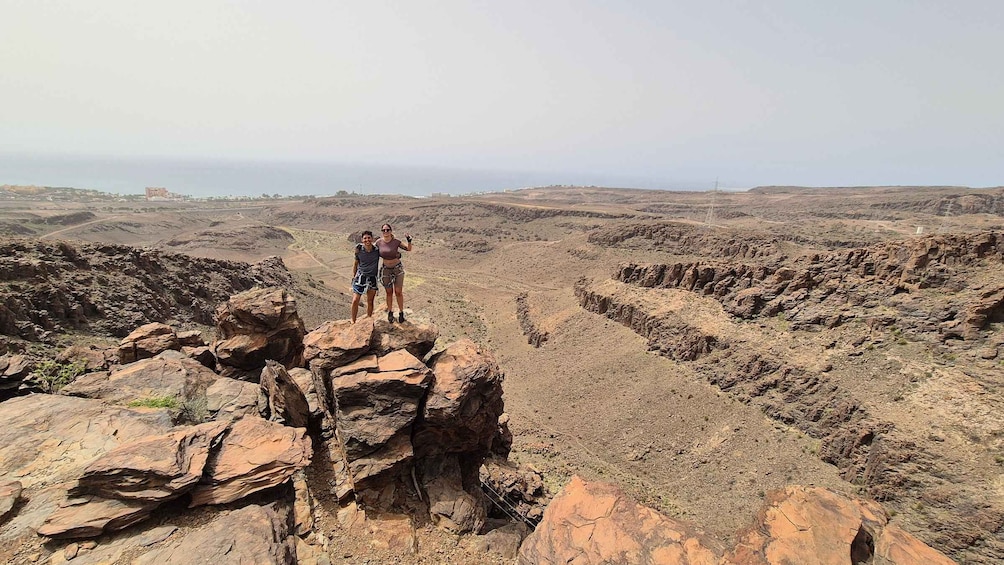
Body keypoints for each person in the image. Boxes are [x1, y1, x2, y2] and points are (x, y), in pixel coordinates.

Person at [376, 223, 413, 323]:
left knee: (398, 292)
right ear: (382, 232)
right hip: (386, 269)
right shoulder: (379, 242)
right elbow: (372, 251)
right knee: (389, 292)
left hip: (397, 269)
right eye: (384, 230)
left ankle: (401, 312)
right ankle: (390, 312)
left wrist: (409, 241)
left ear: (391, 231)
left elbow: (408, 249)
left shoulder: (396, 242)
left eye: (387, 230)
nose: (386, 232)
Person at [350, 230, 380, 323]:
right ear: (362, 240)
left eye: (369, 238)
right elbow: (355, 264)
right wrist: (354, 276)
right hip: (360, 277)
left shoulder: (377, 250)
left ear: (372, 239)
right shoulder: (359, 249)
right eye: (365, 238)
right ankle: (353, 321)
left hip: (372, 278)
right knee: (355, 300)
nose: (367, 240)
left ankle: (369, 320)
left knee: (370, 301)